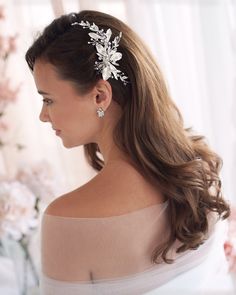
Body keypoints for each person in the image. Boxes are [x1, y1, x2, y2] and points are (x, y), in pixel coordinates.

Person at [25, 10, 231, 295]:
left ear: (100, 95)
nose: (43, 116)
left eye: (48, 100)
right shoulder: (198, 170)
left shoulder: (67, 221)